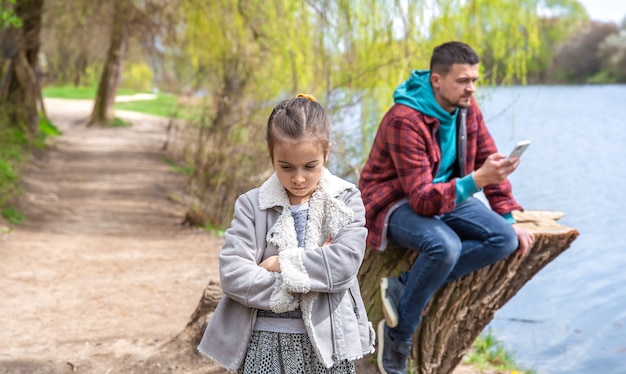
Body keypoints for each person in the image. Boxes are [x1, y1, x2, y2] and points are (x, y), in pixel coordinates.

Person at [358, 41, 535, 374]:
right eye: (462, 80)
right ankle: (398, 336)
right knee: (444, 246)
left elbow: (487, 159)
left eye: (474, 80)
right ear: (437, 80)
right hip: (390, 203)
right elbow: (422, 199)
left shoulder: (467, 107)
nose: (471, 88)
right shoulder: (404, 119)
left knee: (504, 240)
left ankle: (406, 286)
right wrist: (476, 181)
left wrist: (507, 215)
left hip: (443, 195)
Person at [198, 94, 375, 373]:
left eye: (310, 166)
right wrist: (314, 270)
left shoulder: (345, 201)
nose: (299, 178)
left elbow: (343, 267)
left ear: (326, 154)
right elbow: (233, 274)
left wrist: (280, 264)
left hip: (327, 342)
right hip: (264, 340)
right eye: (286, 167)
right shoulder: (251, 205)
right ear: (271, 156)